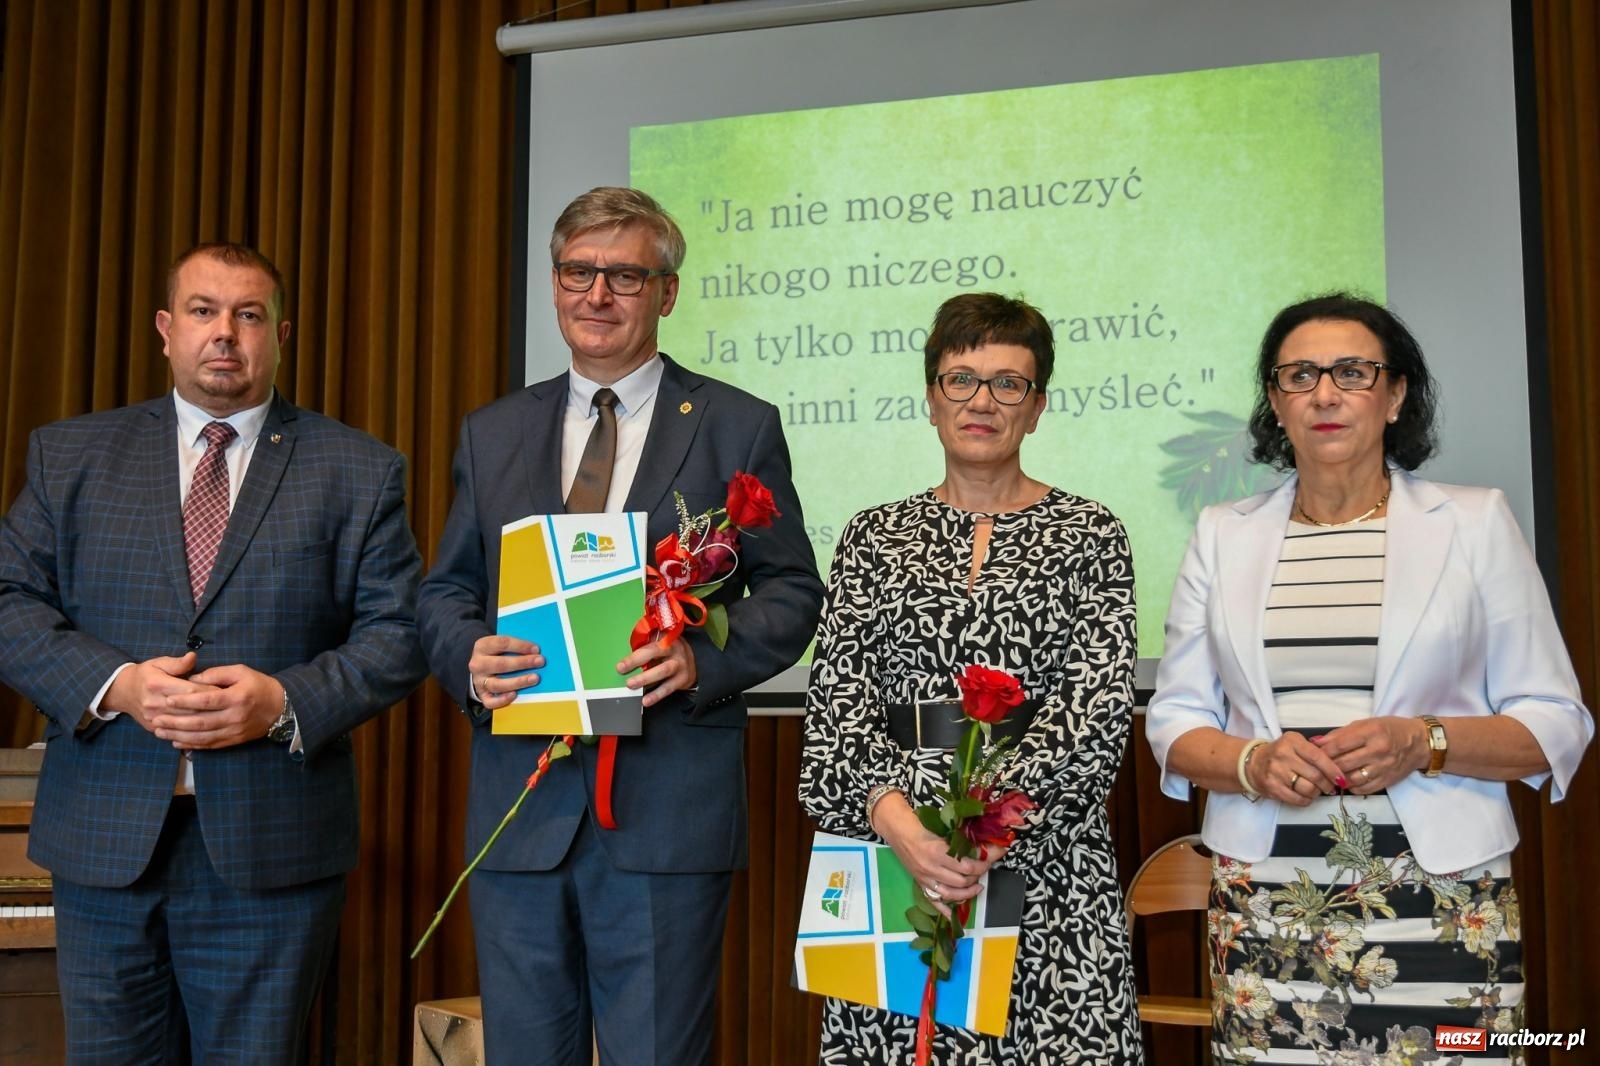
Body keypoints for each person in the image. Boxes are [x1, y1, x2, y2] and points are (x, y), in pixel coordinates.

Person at [416, 186, 823, 1066]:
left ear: (666, 293)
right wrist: (468, 657)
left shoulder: (737, 426)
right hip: (520, 811)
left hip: (663, 814)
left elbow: (793, 591)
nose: (597, 294)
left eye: (625, 276)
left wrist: (701, 659)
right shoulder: (493, 432)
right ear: (555, 285)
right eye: (578, 272)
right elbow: (444, 592)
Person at [0, 242, 426, 1063]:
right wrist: (116, 684)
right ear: (167, 329)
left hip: (272, 851)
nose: (224, 332)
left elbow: (401, 632)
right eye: (203, 311)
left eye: (248, 314)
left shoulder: (359, 469)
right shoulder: (71, 455)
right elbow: (8, 599)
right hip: (102, 842)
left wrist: (284, 703)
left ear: (280, 335)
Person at [1145, 293, 1594, 1063]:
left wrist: (1425, 741)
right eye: (1300, 376)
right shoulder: (1223, 534)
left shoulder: (1475, 522)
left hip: (1444, 902)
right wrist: (1252, 761)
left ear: (1394, 396)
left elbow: (1556, 719)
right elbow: (1175, 721)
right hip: (1268, 905)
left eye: (1352, 372)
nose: (1325, 393)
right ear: (1276, 403)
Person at [798, 292, 1144, 1064]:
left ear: (1037, 407)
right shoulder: (872, 535)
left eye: (1008, 384)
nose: (981, 402)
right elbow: (837, 705)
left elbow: (1092, 710)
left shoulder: (1092, 534)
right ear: (931, 399)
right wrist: (902, 828)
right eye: (960, 380)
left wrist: (987, 832)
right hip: (893, 854)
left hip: (1044, 856)